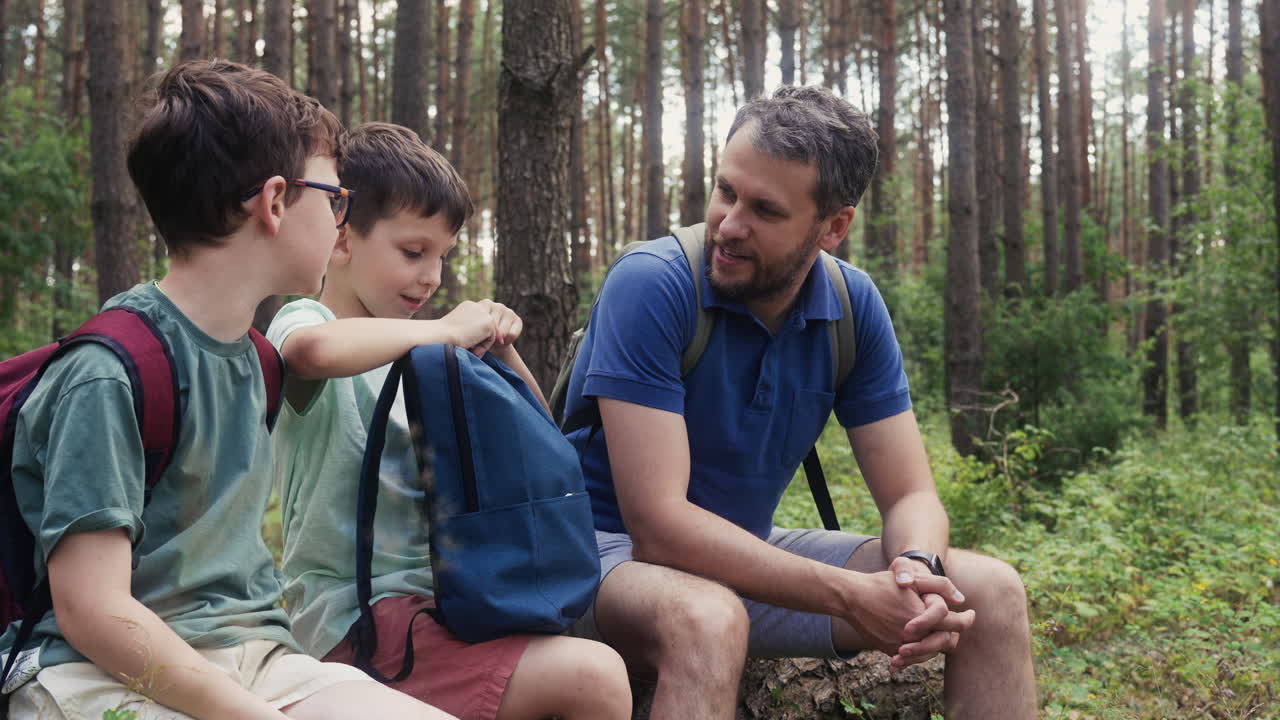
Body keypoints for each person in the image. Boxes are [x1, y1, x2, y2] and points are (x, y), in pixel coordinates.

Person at [560, 85, 1037, 719]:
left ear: (834, 226)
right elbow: (659, 526)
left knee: (992, 592)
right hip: (600, 557)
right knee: (707, 617)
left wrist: (916, 574)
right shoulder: (652, 284)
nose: (729, 224)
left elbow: (910, 495)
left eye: (765, 209)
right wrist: (847, 594)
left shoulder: (851, 307)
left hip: (737, 554)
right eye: (726, 191)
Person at [0, 61, 454, 720]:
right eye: (333, 199)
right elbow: (92, 610)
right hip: (96, 674)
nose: (340, 222)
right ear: (274, 202)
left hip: (257, 661)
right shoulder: (109, 373)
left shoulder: (260, 364)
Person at [266, 121, 631, 720]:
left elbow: (541, 441)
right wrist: (439, 331)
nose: (432, 276)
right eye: (413, 252)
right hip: (354, 619)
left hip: (454, 603)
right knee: (594, 678)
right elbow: (309, 353)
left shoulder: (429, 361)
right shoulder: (307, 321)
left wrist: (500, 353)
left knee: (585, 658)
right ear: (341, 235)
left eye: (442, 255)